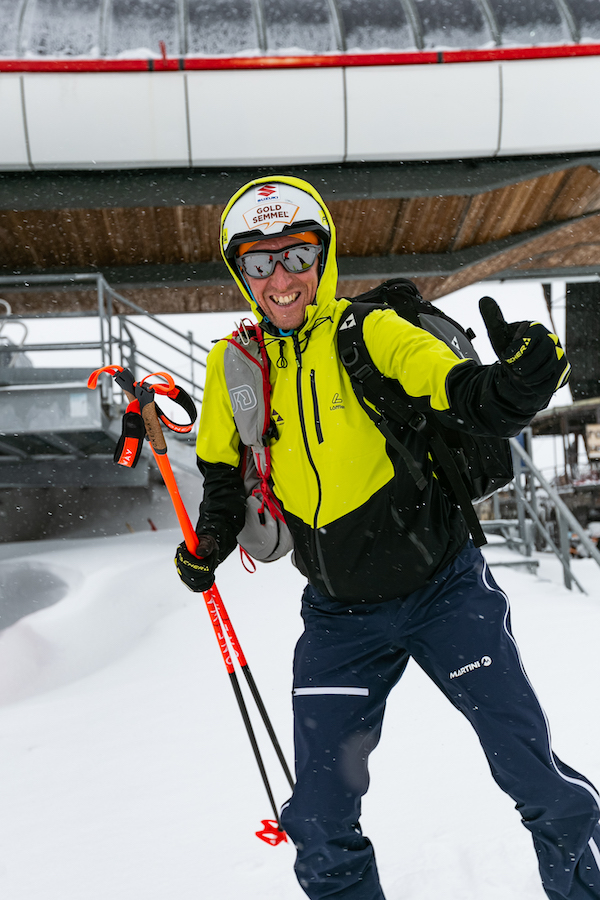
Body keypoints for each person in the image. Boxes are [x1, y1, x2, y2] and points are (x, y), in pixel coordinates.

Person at [175, 175, 600, 900]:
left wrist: (519, 384)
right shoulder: (234, 366)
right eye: (259, 261)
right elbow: (221, 474)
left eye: (296, 255)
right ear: (240, 272)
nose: (281, 279)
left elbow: (463, 392)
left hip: (444, 591)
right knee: (319, 816)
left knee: (531, 773)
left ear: (323, 258)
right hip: (339, 616)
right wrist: (210, 541)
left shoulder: (369, 332)